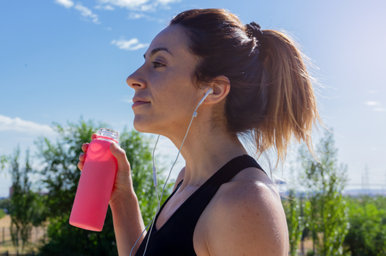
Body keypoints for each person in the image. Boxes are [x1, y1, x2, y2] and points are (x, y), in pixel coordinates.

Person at [78, 8, 320, 256]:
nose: (133, 78)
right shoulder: (186, 181)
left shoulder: (244, 203)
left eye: (158, 63)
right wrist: (122, 200)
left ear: (214, 90)